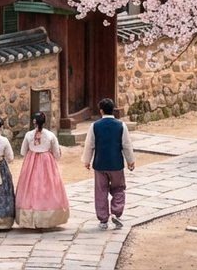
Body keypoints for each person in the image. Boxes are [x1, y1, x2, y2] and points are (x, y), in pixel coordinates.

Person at [82, 97, 135, 230]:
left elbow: (89, 145)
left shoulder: (94, 126)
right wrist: (130, 161)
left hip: (100, 164)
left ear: (101, 111)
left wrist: (87, 161)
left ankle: (103, 219)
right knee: (119, 188)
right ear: (113, 109)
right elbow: (126, 145)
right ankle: (116, 213)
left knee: (101, 191)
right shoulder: (121, 125)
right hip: (116, 163)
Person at [15, 112, 70, 229]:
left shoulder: (28, 135)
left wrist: (33, 150)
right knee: (48, 187)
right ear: (45, 122)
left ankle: (30, 215)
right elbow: (57, 154)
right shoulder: (51, 135)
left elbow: (22, 152)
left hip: (31, 163)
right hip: (47, 163)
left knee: (30, 186)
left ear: (34, 121)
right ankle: (47, 216)